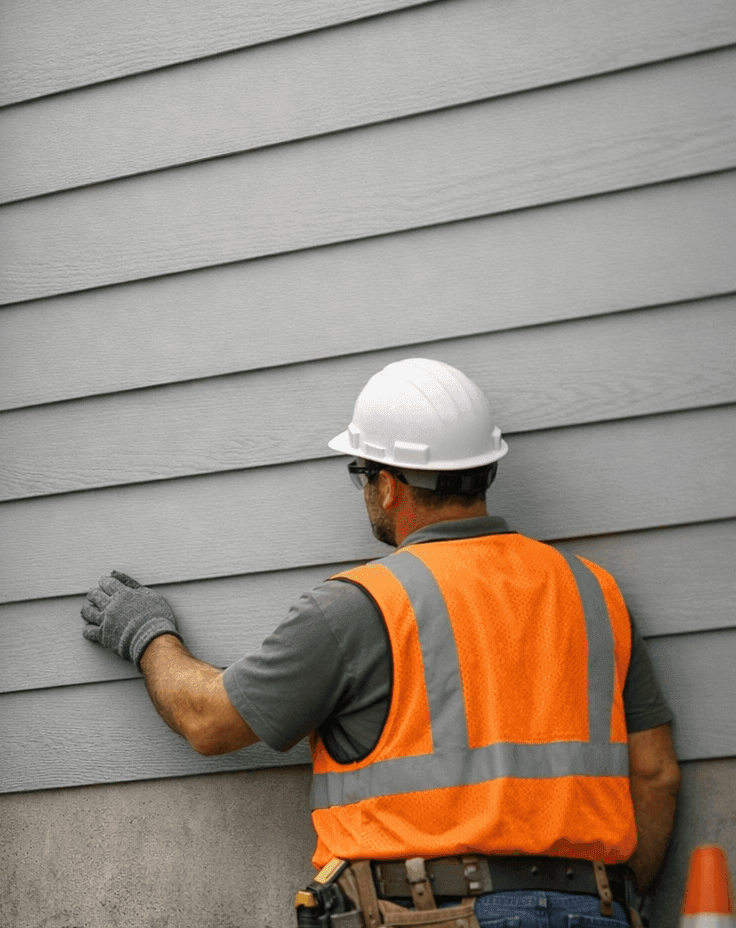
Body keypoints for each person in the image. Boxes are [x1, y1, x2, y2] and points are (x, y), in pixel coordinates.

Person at [81, 357, 682, 928]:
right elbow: (654, 775)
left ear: (389, 486)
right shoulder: (593, 592)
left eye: (361, 474)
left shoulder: (362, 605)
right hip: (595, 909)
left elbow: (209, 720)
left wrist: (146, 631)